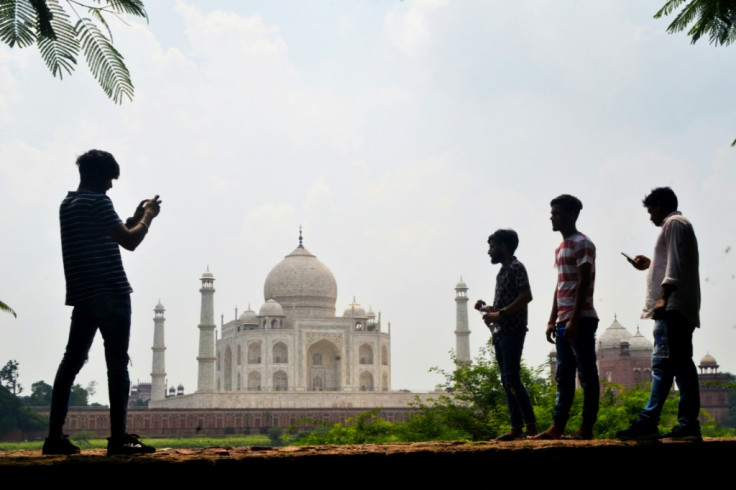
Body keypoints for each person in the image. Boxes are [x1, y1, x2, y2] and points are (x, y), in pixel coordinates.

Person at [42, 150, 161, 456]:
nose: (110, 185)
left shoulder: (68, 204)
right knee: (117, 364)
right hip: (111, 292)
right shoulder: (98, 201)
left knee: (70, 363)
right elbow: (130, 242)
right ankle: (118, 438)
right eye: (109, 178)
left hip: (84, 295)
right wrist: (148, 217)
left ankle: (54, 437)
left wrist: (132, 219)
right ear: (96, 175)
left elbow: (106, 235)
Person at [616, 187, 701, 442]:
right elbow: (674, 261)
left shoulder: (673, 223)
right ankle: (654, 421)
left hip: (672, 308)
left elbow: (675, 267)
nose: (650, 215)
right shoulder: (678, 225)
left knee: (675, 366)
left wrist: (663, 298)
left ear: (660, 205)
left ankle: (681, 424)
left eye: (651, 209)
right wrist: (650, 265)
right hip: (676, 308)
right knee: (667, 366)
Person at [531, 194, 599, 440]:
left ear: (571, 215)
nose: (552, 217)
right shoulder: (561, 247)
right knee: (563, 374)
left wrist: (574, 318)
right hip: (564, 320)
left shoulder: (583, 243)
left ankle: (586, 428)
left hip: (580, 319)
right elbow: (560, 286)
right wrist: (553, 319)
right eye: (552, 212)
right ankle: (557, 426)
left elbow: (582, 283)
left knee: (586, 374)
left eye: (557, 213)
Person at [474, 229, 538, 441]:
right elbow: (503, 307)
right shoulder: (502, 272)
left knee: (511, 378)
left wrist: (499, 314)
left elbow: (526, 296)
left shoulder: (516, 267)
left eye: (491, 246)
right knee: (506, 380)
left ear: (503, 246)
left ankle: (531, 428)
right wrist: (487, 309)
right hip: (502, 333)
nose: (489, 252)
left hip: (513, 330)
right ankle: (516, 428)